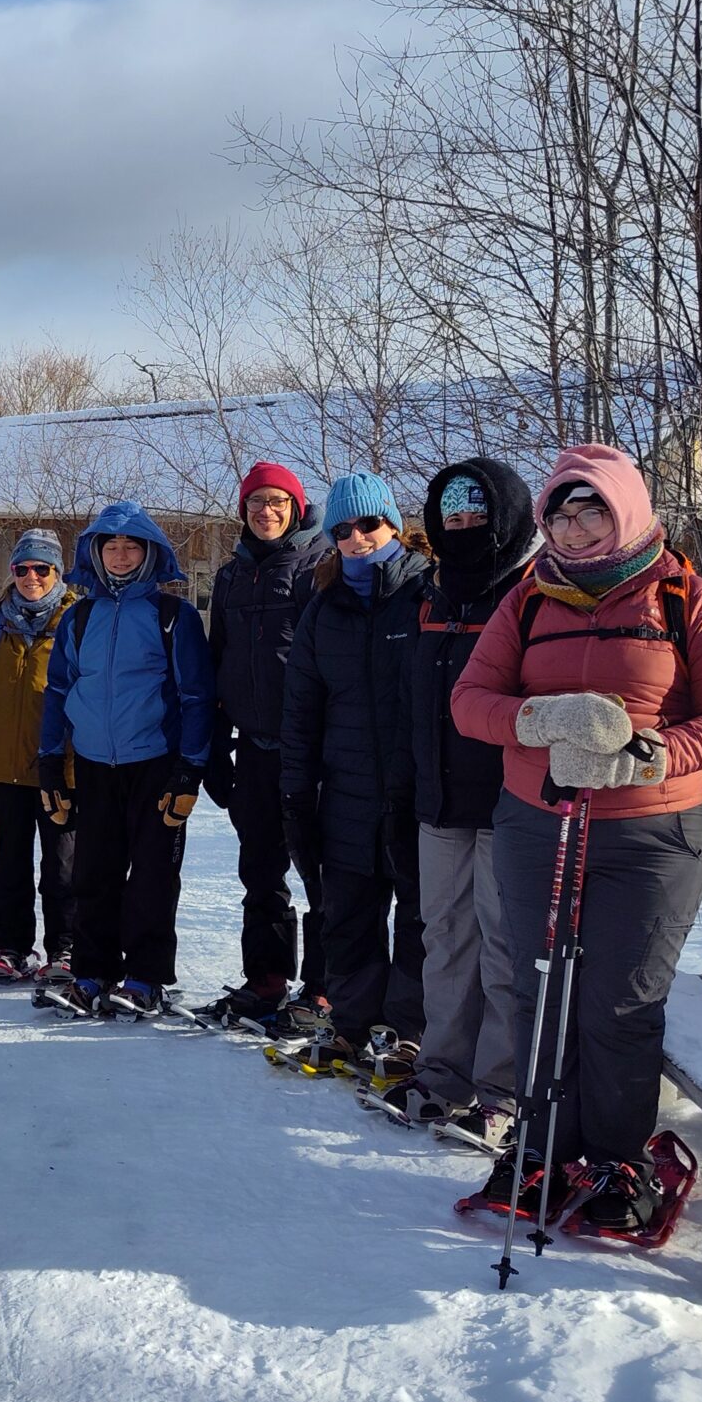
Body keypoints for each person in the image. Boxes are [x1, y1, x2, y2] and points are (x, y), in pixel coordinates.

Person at [451, 444, 702, 1234]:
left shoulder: (684, 596)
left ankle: (616, 1157)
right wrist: (530, 718)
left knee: (617, 1002)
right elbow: (468, 700)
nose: (576, 526)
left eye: (592, 509)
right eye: (562, 512)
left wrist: (661, 752)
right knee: (539, 989)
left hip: (651, 831)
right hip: (538, 822)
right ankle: (546, 1144)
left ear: (625, 509)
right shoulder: (527, 599)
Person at [365, 460, 537, 1147]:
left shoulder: (528, 593)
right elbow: (409, 702)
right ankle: (442, 1073)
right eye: (452, 516)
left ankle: (500, 1090)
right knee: (444, 943)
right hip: (436, 801)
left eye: (476, 515)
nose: (464, 527)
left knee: (502, 951)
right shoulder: (429, 595)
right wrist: (403, 787)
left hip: (507, 803)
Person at [36, 501, 214, 1017]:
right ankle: (92, 972)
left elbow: (197, 697)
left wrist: (189, 771)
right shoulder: (78, 617)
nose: (119, 554)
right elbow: (59, 690)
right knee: (93, 872)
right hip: (94, 764)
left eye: (130, 546)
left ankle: (145, 976)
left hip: (154, 762)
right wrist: (50, 762)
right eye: (109, 545)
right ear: (94, 552)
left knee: (154, 875)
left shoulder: (171, 616)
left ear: (150, 554)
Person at [279, 473, 429, 1073]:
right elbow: (301, 709)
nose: (358, 538)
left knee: (420, 918)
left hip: (417, 792)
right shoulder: (324, 609)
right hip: (345, 792)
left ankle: (409, 1030)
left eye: (369, 525)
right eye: (343, 529)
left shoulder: (429, 594)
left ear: (394, 525)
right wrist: (295, 789)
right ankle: (351, 1025)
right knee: (348, 915)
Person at [199, 460, 324, 1026]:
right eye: (255, 504)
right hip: (252, 750)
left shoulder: (319, 565)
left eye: (276, 502)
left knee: (323, 873)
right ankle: (267, 979)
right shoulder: (230, 576)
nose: (265, 512)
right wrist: (217, 747)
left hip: (312, 751)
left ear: (295, 508)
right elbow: (218, 664)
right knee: (261, 873)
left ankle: (325, 988)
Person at [0, 528, 79, 985]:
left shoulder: (74, 620)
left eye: (41, 568)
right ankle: (10, 947)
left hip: (59, 770)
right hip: (5, 769)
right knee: (10, 862)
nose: (31, 577)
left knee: (63, 865)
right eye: (22, 568)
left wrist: (76, 765)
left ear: (57, 572)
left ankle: (65, 949)